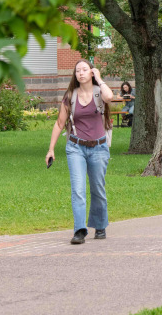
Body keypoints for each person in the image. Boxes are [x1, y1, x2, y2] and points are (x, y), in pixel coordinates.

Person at [45, 60, 114, 245]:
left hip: (99, 147)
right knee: (78, 190)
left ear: (91, 73)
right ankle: (79, 230)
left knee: (98, 188)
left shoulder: (100, 92)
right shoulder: (70, 96)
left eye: (85, 70)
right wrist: (51, 149)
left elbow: (109, 97)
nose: (81, 73)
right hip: (75, 147)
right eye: (78, 71)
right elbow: (60, 123)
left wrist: (99, 78)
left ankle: (100, 225)